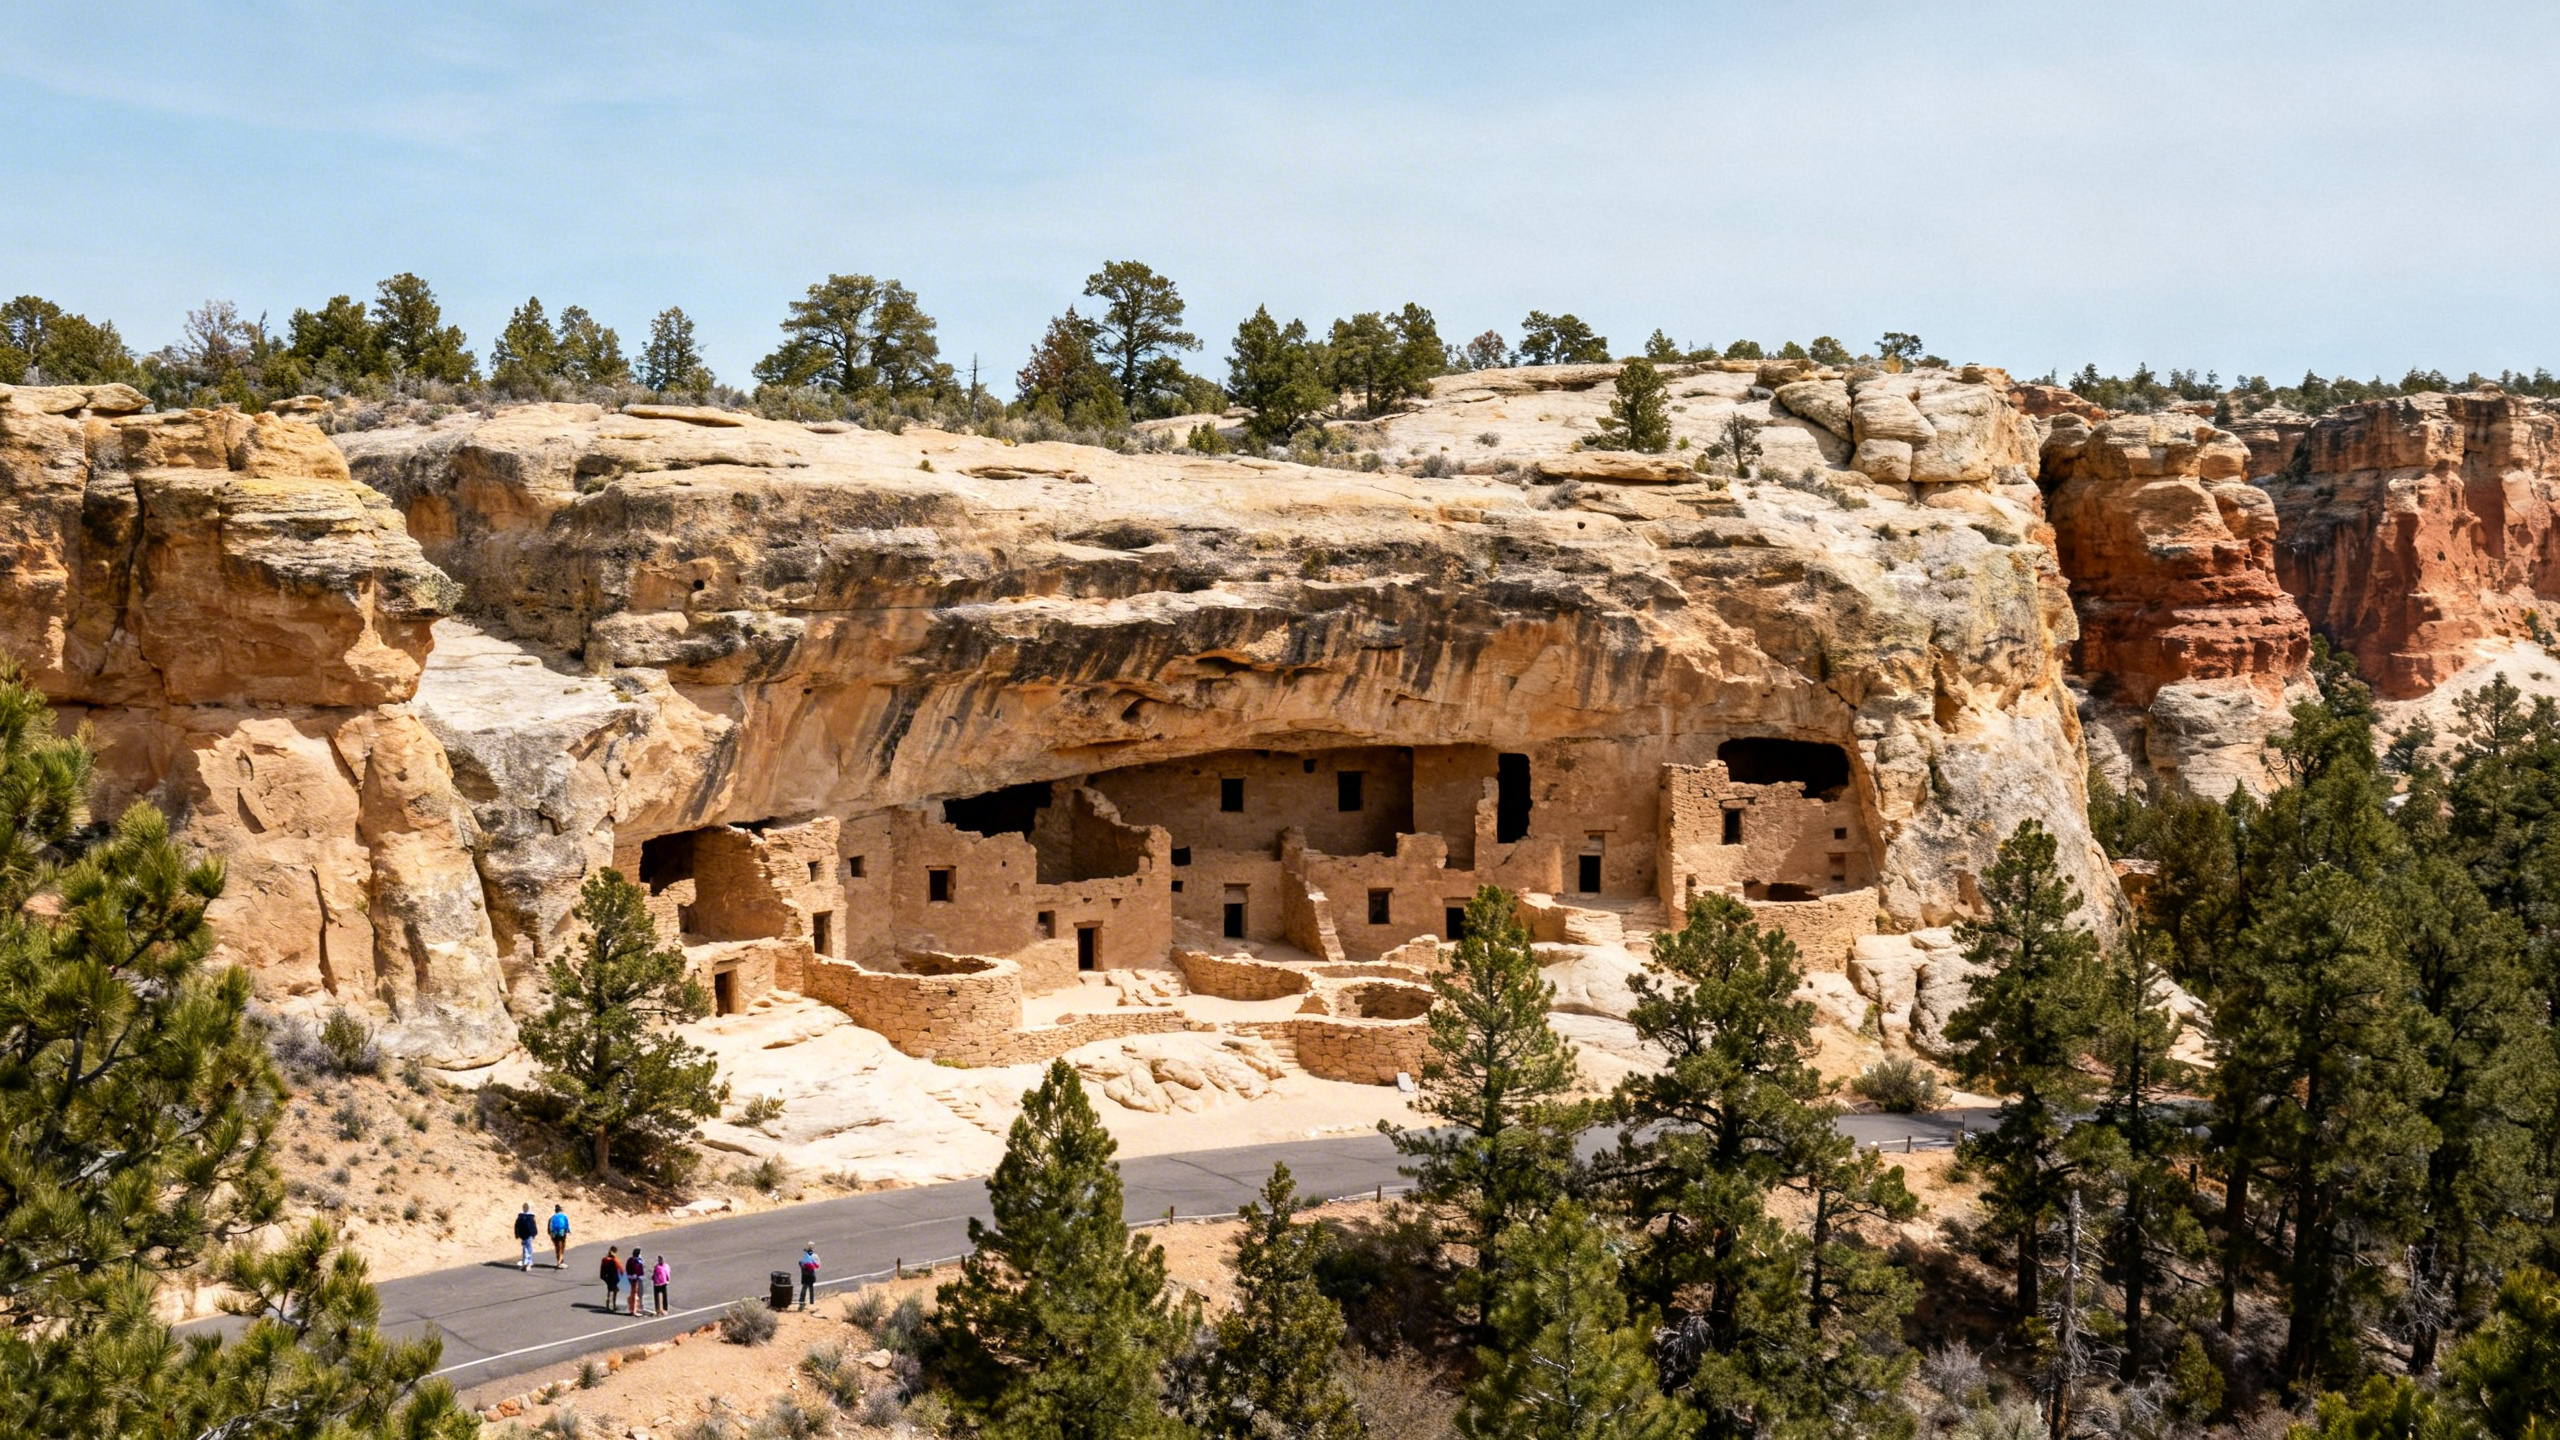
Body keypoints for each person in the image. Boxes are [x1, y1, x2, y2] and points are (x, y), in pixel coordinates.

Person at [513, 1202, 537, 1271]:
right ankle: (528, 1263)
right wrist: (534, 1234)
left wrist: (517, 1234)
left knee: (525, 1248)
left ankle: (525, 1262)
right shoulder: (531, 1217)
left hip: (522, 1235)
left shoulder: (520, 1217)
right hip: (529, 1235)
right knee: (529, 1248)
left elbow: (516, 1226)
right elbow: (533, 1226)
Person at [600, 1245, 623, 1312]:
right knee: (615, 1291)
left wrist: (603, 1277)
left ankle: (607, 1305)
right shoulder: (614, 1260)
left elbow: (602, 1269)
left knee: (609, 1290)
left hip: (607, 1277)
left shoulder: (604, 1259)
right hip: (614, 1277)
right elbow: (620, 1269)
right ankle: (614, 1305)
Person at [548, 1203, 571, 1268]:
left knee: (557, 1247)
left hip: (555, 1234)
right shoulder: (564, 1216)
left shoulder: (552, 1217)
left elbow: (549, 1227)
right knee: (562, 1247)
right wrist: (568, 1231)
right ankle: (561, 1261)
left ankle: (558, 1260)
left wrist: (550, 1234)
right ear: (560, 1210)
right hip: (562, 1233)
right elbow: (566, 1225)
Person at [797, 1244, 820, 1309]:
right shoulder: (811, 1260)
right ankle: (810, 1303)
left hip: (806, 1277)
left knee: (805, 1289)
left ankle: (802, 1303)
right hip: (810, 1276)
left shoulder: (803, 1261)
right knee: (809, 1289)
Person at [625, 1249, 646, 1315]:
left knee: (638, 1293)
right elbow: (635, 1269)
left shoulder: (636, 1260)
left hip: (637, 1278)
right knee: (635, 1293)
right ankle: (634, 1309)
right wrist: (635, 1275)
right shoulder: (634, 1261)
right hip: (635, 1278)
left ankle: (638, 1306)